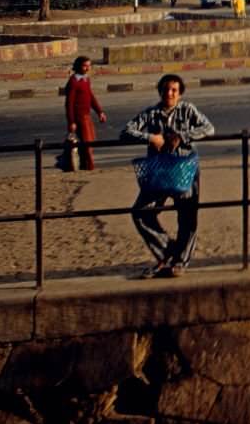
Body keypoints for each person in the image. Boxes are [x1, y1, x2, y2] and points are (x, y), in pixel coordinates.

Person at [122, 74, 214, 278]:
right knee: (140, 212)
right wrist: (150, 138)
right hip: (159, 171)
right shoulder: (151, 113)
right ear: (160, 91)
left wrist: (183, 136)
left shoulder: (188, 110)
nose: (169, 93)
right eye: (166, 89)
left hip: (185, 169)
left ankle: (180, 261)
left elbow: (208, 128)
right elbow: (126, 131)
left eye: (174, 90)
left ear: (180, 93)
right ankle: (167, 252)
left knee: (188, 217)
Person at [64, 55, 107, 171]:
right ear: (78, 66)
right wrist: (71, 121)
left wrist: (100, 112)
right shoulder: (73, 82)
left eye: (89, 66)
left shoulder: (86, 79)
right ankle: (90, 167)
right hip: (79, 117)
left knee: (90, 142)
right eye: (85, 66)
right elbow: (69, 104)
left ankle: (85, 165)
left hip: (86, 115)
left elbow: (90, 97)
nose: (87, 68)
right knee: (87, 143)